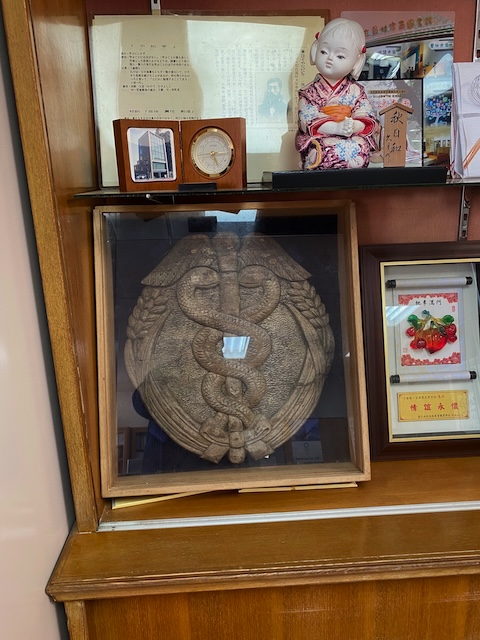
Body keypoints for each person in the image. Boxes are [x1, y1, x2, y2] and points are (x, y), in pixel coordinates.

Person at [296, 18, 380, 170]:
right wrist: (336, 128)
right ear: (316, 48)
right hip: (322, 136)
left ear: (356, 60)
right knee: (321, 151)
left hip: (350, 136)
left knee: (360, 147)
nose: (329, 59)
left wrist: (354, 126)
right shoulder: (309, 91)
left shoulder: (356, 90)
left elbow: (366, 114)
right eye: (324, 51)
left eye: (340, 56)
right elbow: (307, 119)